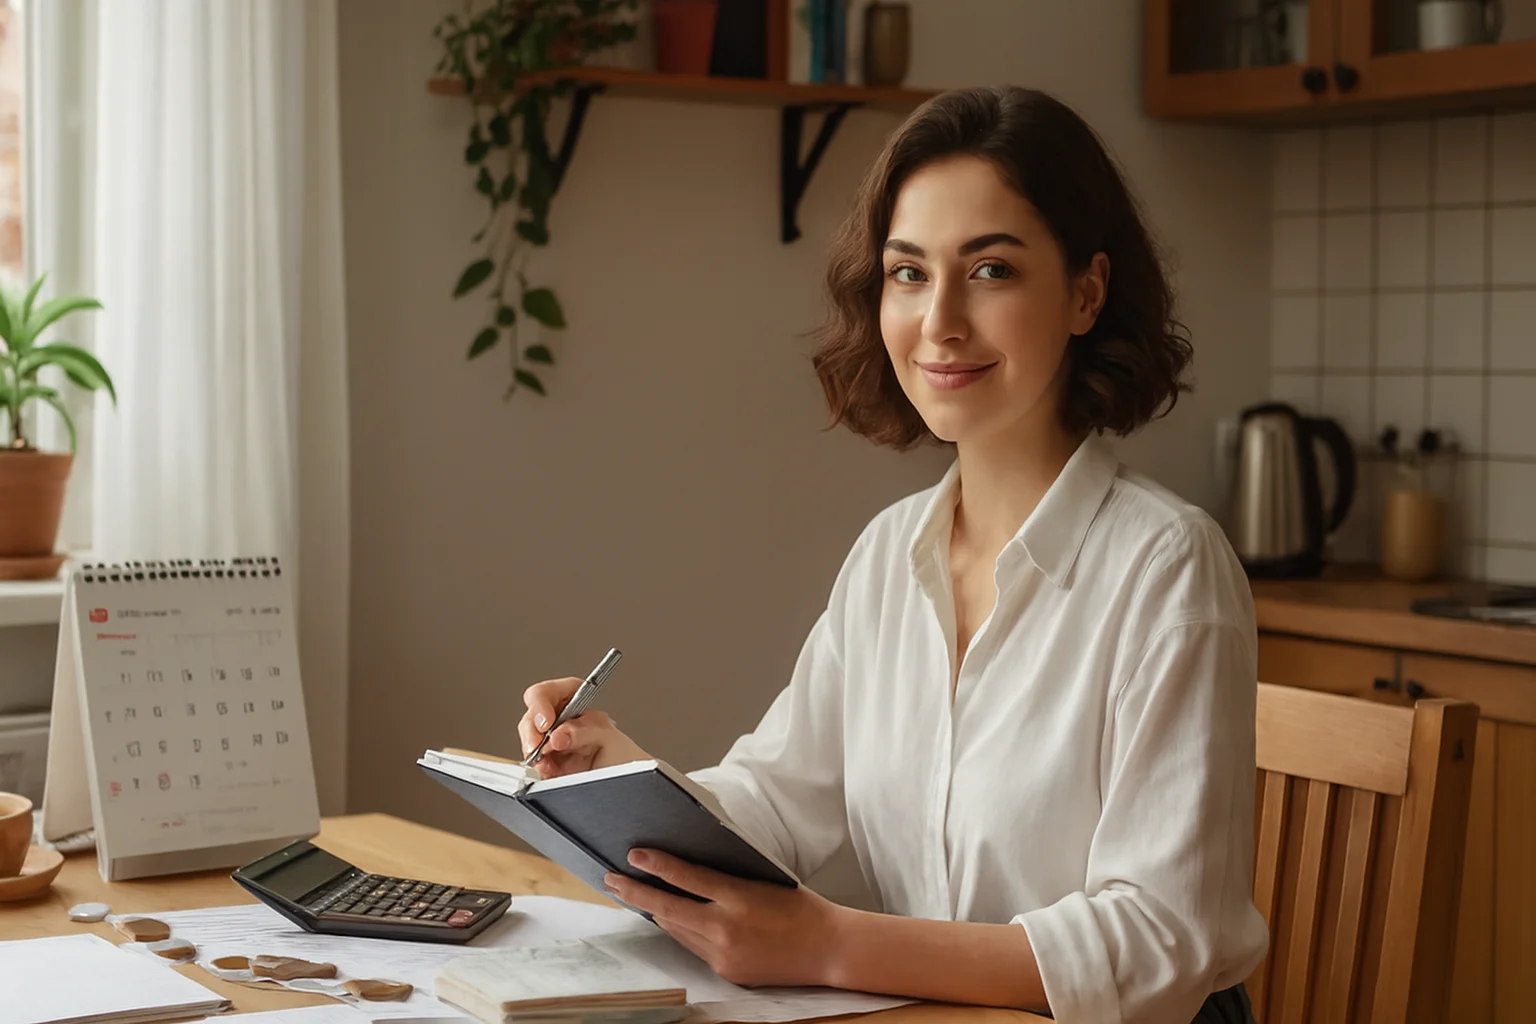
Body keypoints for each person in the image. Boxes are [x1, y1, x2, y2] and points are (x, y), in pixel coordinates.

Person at [518, 85, 1268, 1024]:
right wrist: (614, 778)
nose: (940, 321)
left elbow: (1160, 941)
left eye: (990, 270)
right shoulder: (889, 557)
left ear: (1087, 292)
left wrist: (830, 944)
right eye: (908, 274)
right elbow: (776, 804)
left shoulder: (1168, 569)